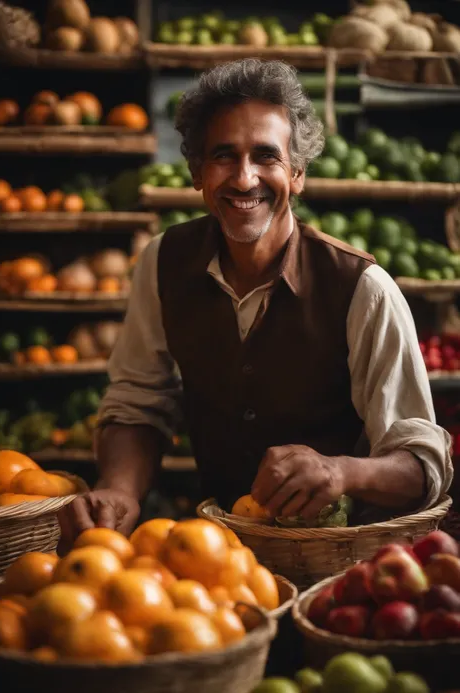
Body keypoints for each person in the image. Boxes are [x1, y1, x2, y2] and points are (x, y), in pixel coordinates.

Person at [59, 59, 452, 546]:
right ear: (197, 172)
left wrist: (343, 473)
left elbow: (423, 463)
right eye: (224, 156)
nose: (244, 179)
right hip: (214, 554)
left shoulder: (363, 288)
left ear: (298, 173)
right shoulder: (164, 261)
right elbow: (138, 403)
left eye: (266, 156)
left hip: (343, 562)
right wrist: (119, 489)